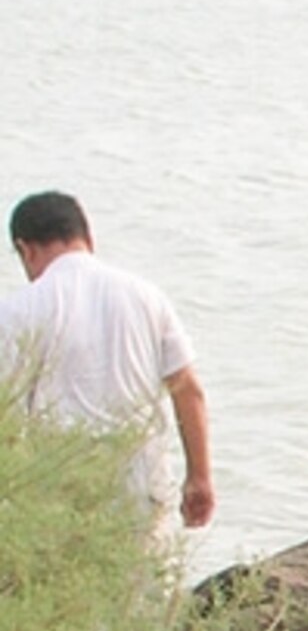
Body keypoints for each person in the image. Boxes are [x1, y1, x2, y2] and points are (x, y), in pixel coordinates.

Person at [4, 191, 216, 535]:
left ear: (25, 249)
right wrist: (200, 477)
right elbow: (188, 390)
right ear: (88, 238)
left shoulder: (17, 311)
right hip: (140, 477)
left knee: (67, 584)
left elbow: (7, 417)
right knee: (147, 585)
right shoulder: (147, 296)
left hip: (59, 481)